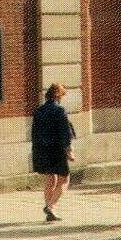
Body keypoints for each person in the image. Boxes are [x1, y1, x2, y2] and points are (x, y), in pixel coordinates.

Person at [31, 84, 75, 221]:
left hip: (41, 150)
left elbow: (34, 133)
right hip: (56, 150)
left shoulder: (38, 110)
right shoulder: (59, 110)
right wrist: (69, 151)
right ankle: (50, 206)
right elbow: (65, 133)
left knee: (50, 179)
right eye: (62, 95)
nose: (62, 98)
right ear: (57, 95)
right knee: (65, 179)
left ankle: (50, 210)